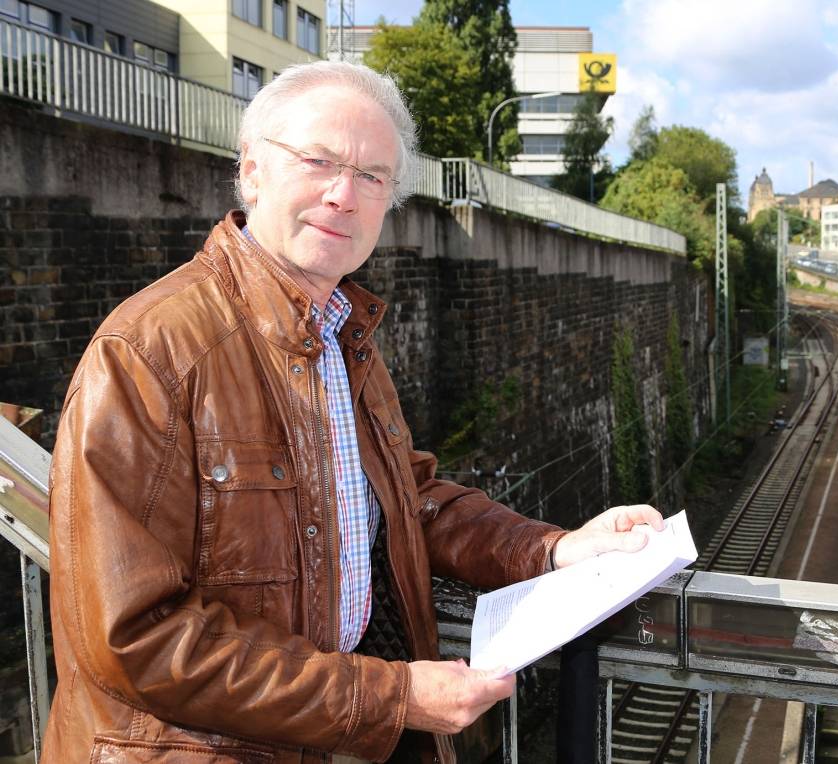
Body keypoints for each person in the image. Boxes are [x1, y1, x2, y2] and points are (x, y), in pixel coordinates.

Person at [43, 60, 662, 763]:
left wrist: (553, 549)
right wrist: (390, 699)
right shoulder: (148, 353)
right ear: (252, 170)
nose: (343, 195)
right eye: (318, 161)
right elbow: (134, 638)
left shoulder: (338, 332)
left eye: (372, 176)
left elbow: (407, 500)